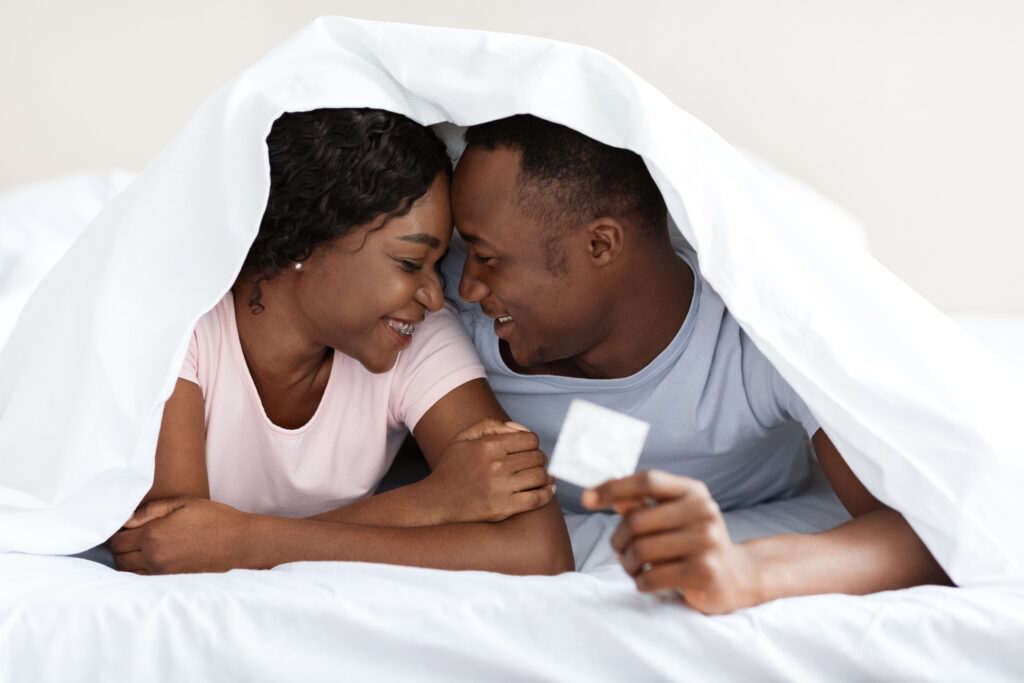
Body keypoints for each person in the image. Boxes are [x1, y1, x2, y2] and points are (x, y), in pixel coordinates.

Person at [443, 114, 949, 613]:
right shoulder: (448, 315)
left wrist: (747, 570)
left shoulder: (759, 335)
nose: (467, 285)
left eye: (486, 256)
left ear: (600, 244)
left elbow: (926, 531)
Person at [108, 108, 573, 576]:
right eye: (411, 263)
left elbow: (540, 550)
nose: (435, 297)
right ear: (302, 243)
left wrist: (243, 543)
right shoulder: (185, 324)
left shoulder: (419, 337)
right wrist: (429, 504)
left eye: (436, 266)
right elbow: (167, 551)